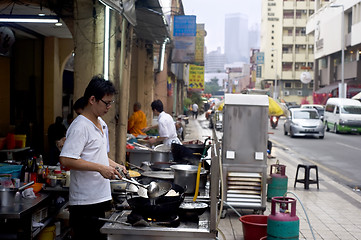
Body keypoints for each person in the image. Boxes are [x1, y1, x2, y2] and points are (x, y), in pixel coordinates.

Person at [59, 75, 127, 240]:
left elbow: (101, 157)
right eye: (106, 103)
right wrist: (100, 168)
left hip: (101, 197)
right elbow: (66, 159)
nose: (109, 107)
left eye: (111, 103)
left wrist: (116, 165)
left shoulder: (102, 124)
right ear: (92, 99)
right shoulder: (80, 126)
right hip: (84, 203)